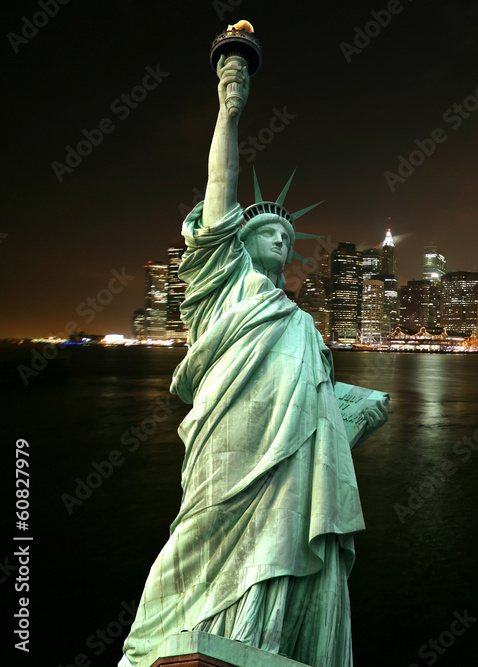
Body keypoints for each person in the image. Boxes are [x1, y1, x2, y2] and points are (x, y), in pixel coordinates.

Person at [118, 54, 386, 667]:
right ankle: (157, 640)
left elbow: (323, 400)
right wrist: (228, 108)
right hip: (231, 433)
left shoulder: (299, 319)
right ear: (238, 242)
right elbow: (219, 189)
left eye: (289, 239)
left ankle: (260, 639)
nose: (283, 242)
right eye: (270, 233)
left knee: (288, 536)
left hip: (292, 445)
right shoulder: (224, 285)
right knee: (201, 529)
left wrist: (353, 413)